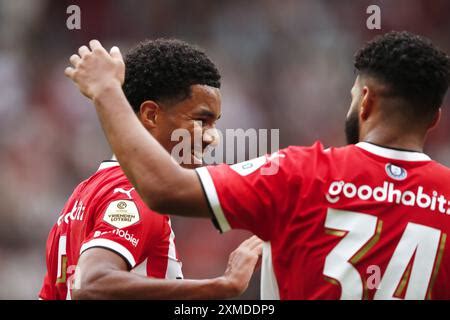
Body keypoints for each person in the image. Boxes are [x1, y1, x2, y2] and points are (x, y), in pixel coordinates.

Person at [64, 31, 450, 299]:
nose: (212, 136)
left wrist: (106, 91)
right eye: (203, 121)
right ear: (434, 118)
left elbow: (165, 189)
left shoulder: (303, 172)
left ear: (364, 101)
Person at [40, 39, 262, 300]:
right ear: (151, 115)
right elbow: (90, 284)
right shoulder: (140, 194)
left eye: (214, 124)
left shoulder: (80, 198)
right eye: (202, 120)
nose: (212, 137)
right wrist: (222, 286)